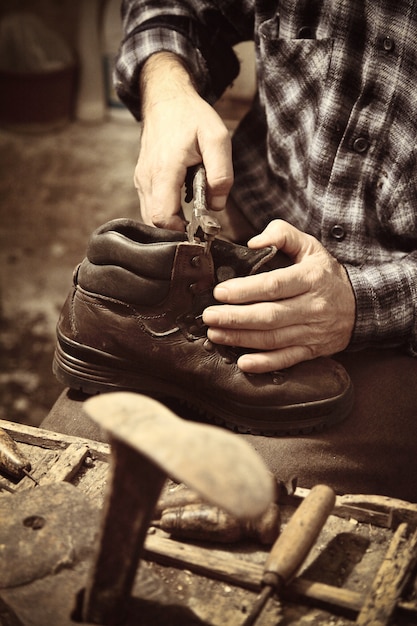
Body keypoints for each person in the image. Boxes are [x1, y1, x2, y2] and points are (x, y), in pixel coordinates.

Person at [44, 1, 417, 499]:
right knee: (64, 467)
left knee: (254, 495)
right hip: (259, 229)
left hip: (399, 321)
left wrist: (364, 302)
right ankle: (119, 326)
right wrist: (166, 89)